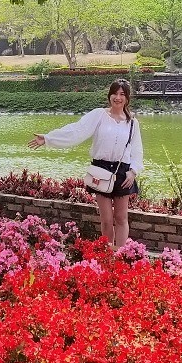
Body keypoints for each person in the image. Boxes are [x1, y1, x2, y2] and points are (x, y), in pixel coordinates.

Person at [28, 78, 144, 249]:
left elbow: (137, 149)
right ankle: (107, 253)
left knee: (121, 218)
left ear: (127, 98)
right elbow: (76, 130)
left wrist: (133, 171)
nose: (117, 97)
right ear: (109, 95)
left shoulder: (132, 122)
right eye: (114, 93)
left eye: (122, 94)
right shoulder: (99, 115)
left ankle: (121, 254)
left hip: (123, 172)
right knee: (106, 218)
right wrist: (48, 138)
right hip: (101, 170)